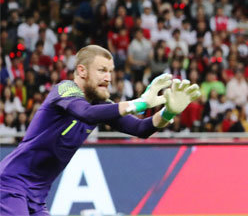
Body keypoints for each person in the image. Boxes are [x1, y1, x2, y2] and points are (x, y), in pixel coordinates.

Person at [0, 45, 201, 215]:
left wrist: (168, 112)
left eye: (110, 71)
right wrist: (139, 103)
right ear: (82, 71)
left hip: (37, 195)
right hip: (10, 184)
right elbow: (86, 113)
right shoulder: (64, 90)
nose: (108, 77)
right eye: (102, 70)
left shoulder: (101, 104)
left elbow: (141, 128)